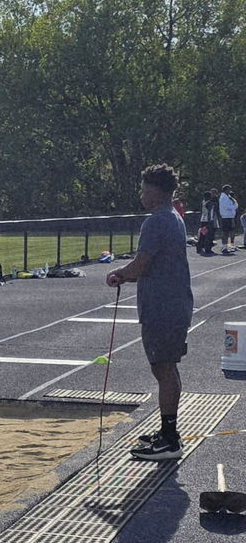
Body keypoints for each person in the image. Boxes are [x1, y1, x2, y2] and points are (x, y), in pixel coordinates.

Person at [106, 163, 193, 461]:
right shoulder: (174, 218)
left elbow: (141, 264)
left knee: (164, 368)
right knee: (166, 367)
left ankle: (170, 440)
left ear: (155, 192)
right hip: (173, 303)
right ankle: (168, 433)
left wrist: (118, 273)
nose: (141, 195)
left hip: (163, 307)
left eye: (144, 190)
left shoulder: (156, 221)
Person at [218, 184, 238, 254]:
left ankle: (230, 246)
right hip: (225, 217)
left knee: (231, 232)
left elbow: (236, 205)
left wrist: (233, 203)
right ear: (225, 190)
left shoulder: (228, 197)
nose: (230, 191)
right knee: (225, 232)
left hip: (230, 217)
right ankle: (224, 247)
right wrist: (233, 205)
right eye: (228, 189)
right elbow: (229, 207)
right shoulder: (223, 197)